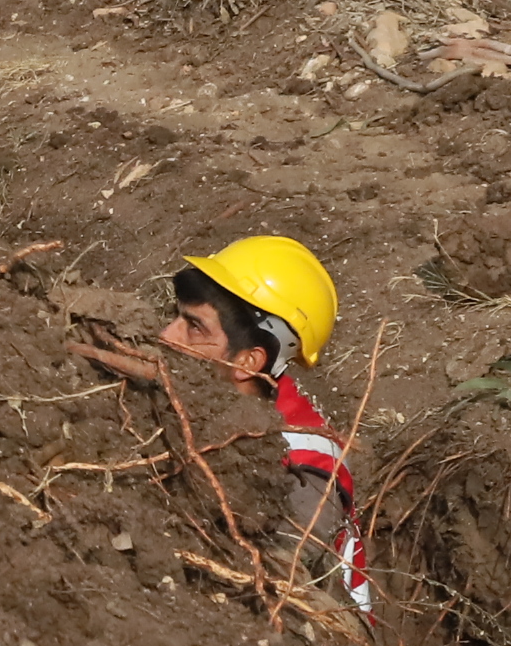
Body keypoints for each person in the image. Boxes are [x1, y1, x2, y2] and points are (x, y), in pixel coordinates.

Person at [91, 234, 373, 617]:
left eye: (194, 327)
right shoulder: (213, 397)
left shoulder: (311, 466)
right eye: (175, 317)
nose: (165, 337)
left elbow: (273, 583)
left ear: (248, 362)